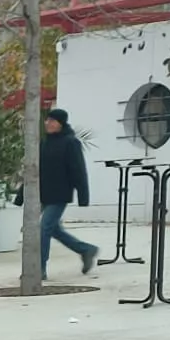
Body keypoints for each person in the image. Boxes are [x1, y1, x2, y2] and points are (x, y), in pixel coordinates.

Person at [39, 108, 99, 277]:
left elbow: (78, 170)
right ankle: (86, 250)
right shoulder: (44, 143)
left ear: (61, 123)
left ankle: (38, 268)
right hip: (44, 193)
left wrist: (83, 196)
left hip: (60, 194)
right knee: (53, 229)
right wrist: (21, 196)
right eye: (47, 120)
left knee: (44, 228)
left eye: (52, 121)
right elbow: (35, 170)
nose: (48, 123)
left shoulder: (71, 142)